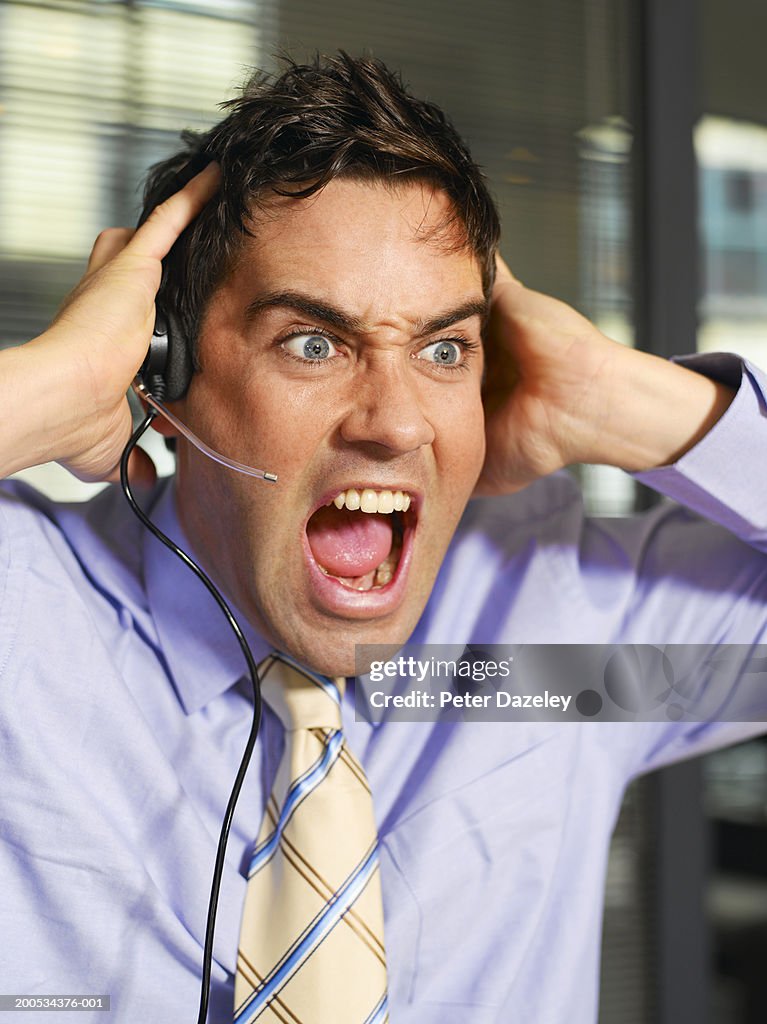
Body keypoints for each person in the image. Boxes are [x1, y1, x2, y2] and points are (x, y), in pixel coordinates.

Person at [1, 52, 765, 1024]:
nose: (396, 424)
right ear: (164, 368)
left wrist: (618, 397)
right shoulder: (21, 618)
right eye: (313, 343)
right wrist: (45, 389)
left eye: (443, 348)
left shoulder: (557, 636)